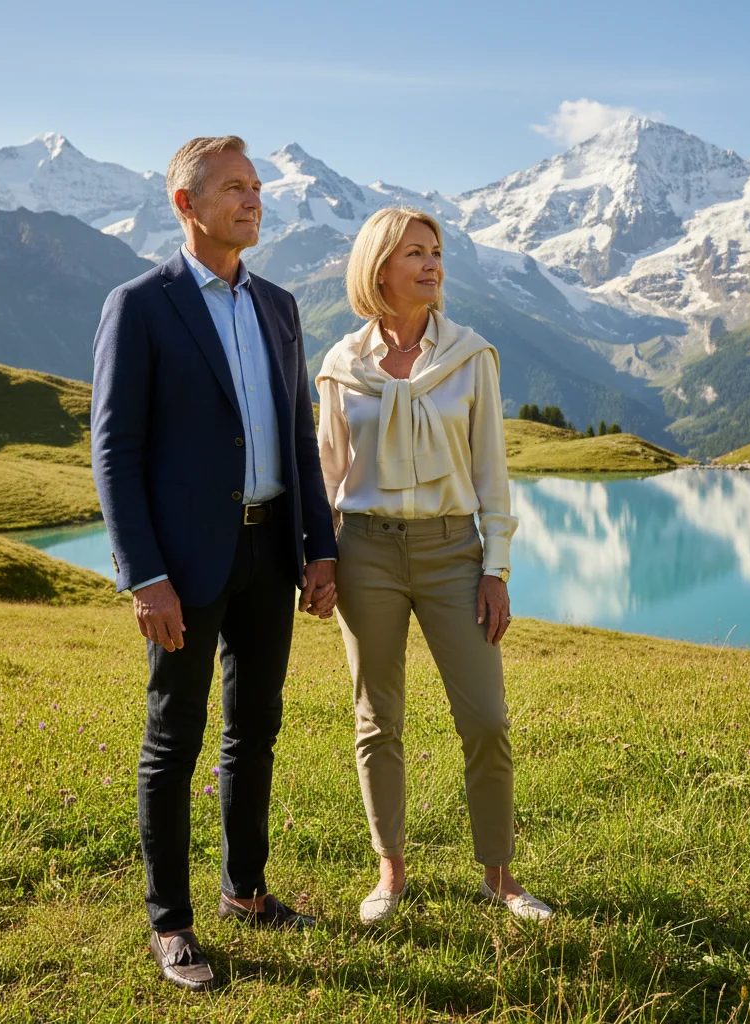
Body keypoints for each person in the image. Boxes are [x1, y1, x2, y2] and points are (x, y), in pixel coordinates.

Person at [91, 135, 338, 992]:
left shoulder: (279, 305)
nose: (253, 199)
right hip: (184, 564)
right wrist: (143, 574)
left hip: (271, 549)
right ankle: (171, 923)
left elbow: (300, 434)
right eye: (234, 187)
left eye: (256, 185)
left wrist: (320, 549)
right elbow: (115, 450)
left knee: (255, 728)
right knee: (174, 738)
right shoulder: (140, 304)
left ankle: (246, 891)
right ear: (186, 204)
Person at [316, 207, 553, 925]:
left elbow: (492, 472)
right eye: (415, 253)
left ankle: (500, 877)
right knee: (376, 719)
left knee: (485, 718)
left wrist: (496, 568)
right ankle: (390, 871)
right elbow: (327, 474)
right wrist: (320, 557)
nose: (432, 265)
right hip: (365, 552)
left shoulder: (471, 357)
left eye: (436, 252)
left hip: (454, 552)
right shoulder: (341, 366)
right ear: (379, 267)